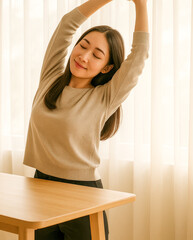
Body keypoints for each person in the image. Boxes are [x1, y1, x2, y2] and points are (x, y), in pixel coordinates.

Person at [23, 0, 149, 239]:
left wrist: (140, 4)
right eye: (83, 46)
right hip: (40, 186)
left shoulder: (105, 97)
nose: (83, 56)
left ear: (106, 68)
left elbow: (139, 54)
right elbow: (67, 24)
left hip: (82, 193)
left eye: (96, 55)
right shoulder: (50, 78)